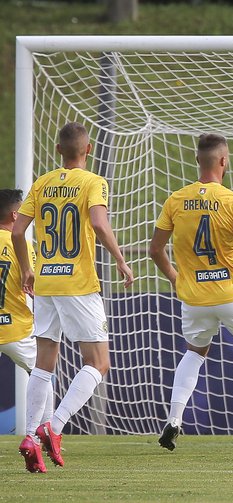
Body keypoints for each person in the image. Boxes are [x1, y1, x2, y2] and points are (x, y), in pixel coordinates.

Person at [12, 122, 134, 473]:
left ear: (57, 150)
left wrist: (27, 269)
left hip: (46, 283)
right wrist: (121, 259)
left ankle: (31, 438)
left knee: (43, 361)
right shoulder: (93, 182)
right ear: (89, 149)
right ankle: (55, 425)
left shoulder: (42, 182)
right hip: (78, 284)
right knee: (98, 362)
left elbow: (18, 229)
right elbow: (97, 223)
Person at [149, 133, 233, 450]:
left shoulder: (176, 199)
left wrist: (174, 278)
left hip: (193, 296)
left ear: (198, 160)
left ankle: (173, 420)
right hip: (232, 291)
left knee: (194, 352)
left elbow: (155, 249)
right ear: (224, 160)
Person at [0, 189, 53, 438]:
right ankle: (47, 433)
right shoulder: (19, 244)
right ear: (14, 215)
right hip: (14, 328)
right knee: (42, 373)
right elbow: (33, 285)